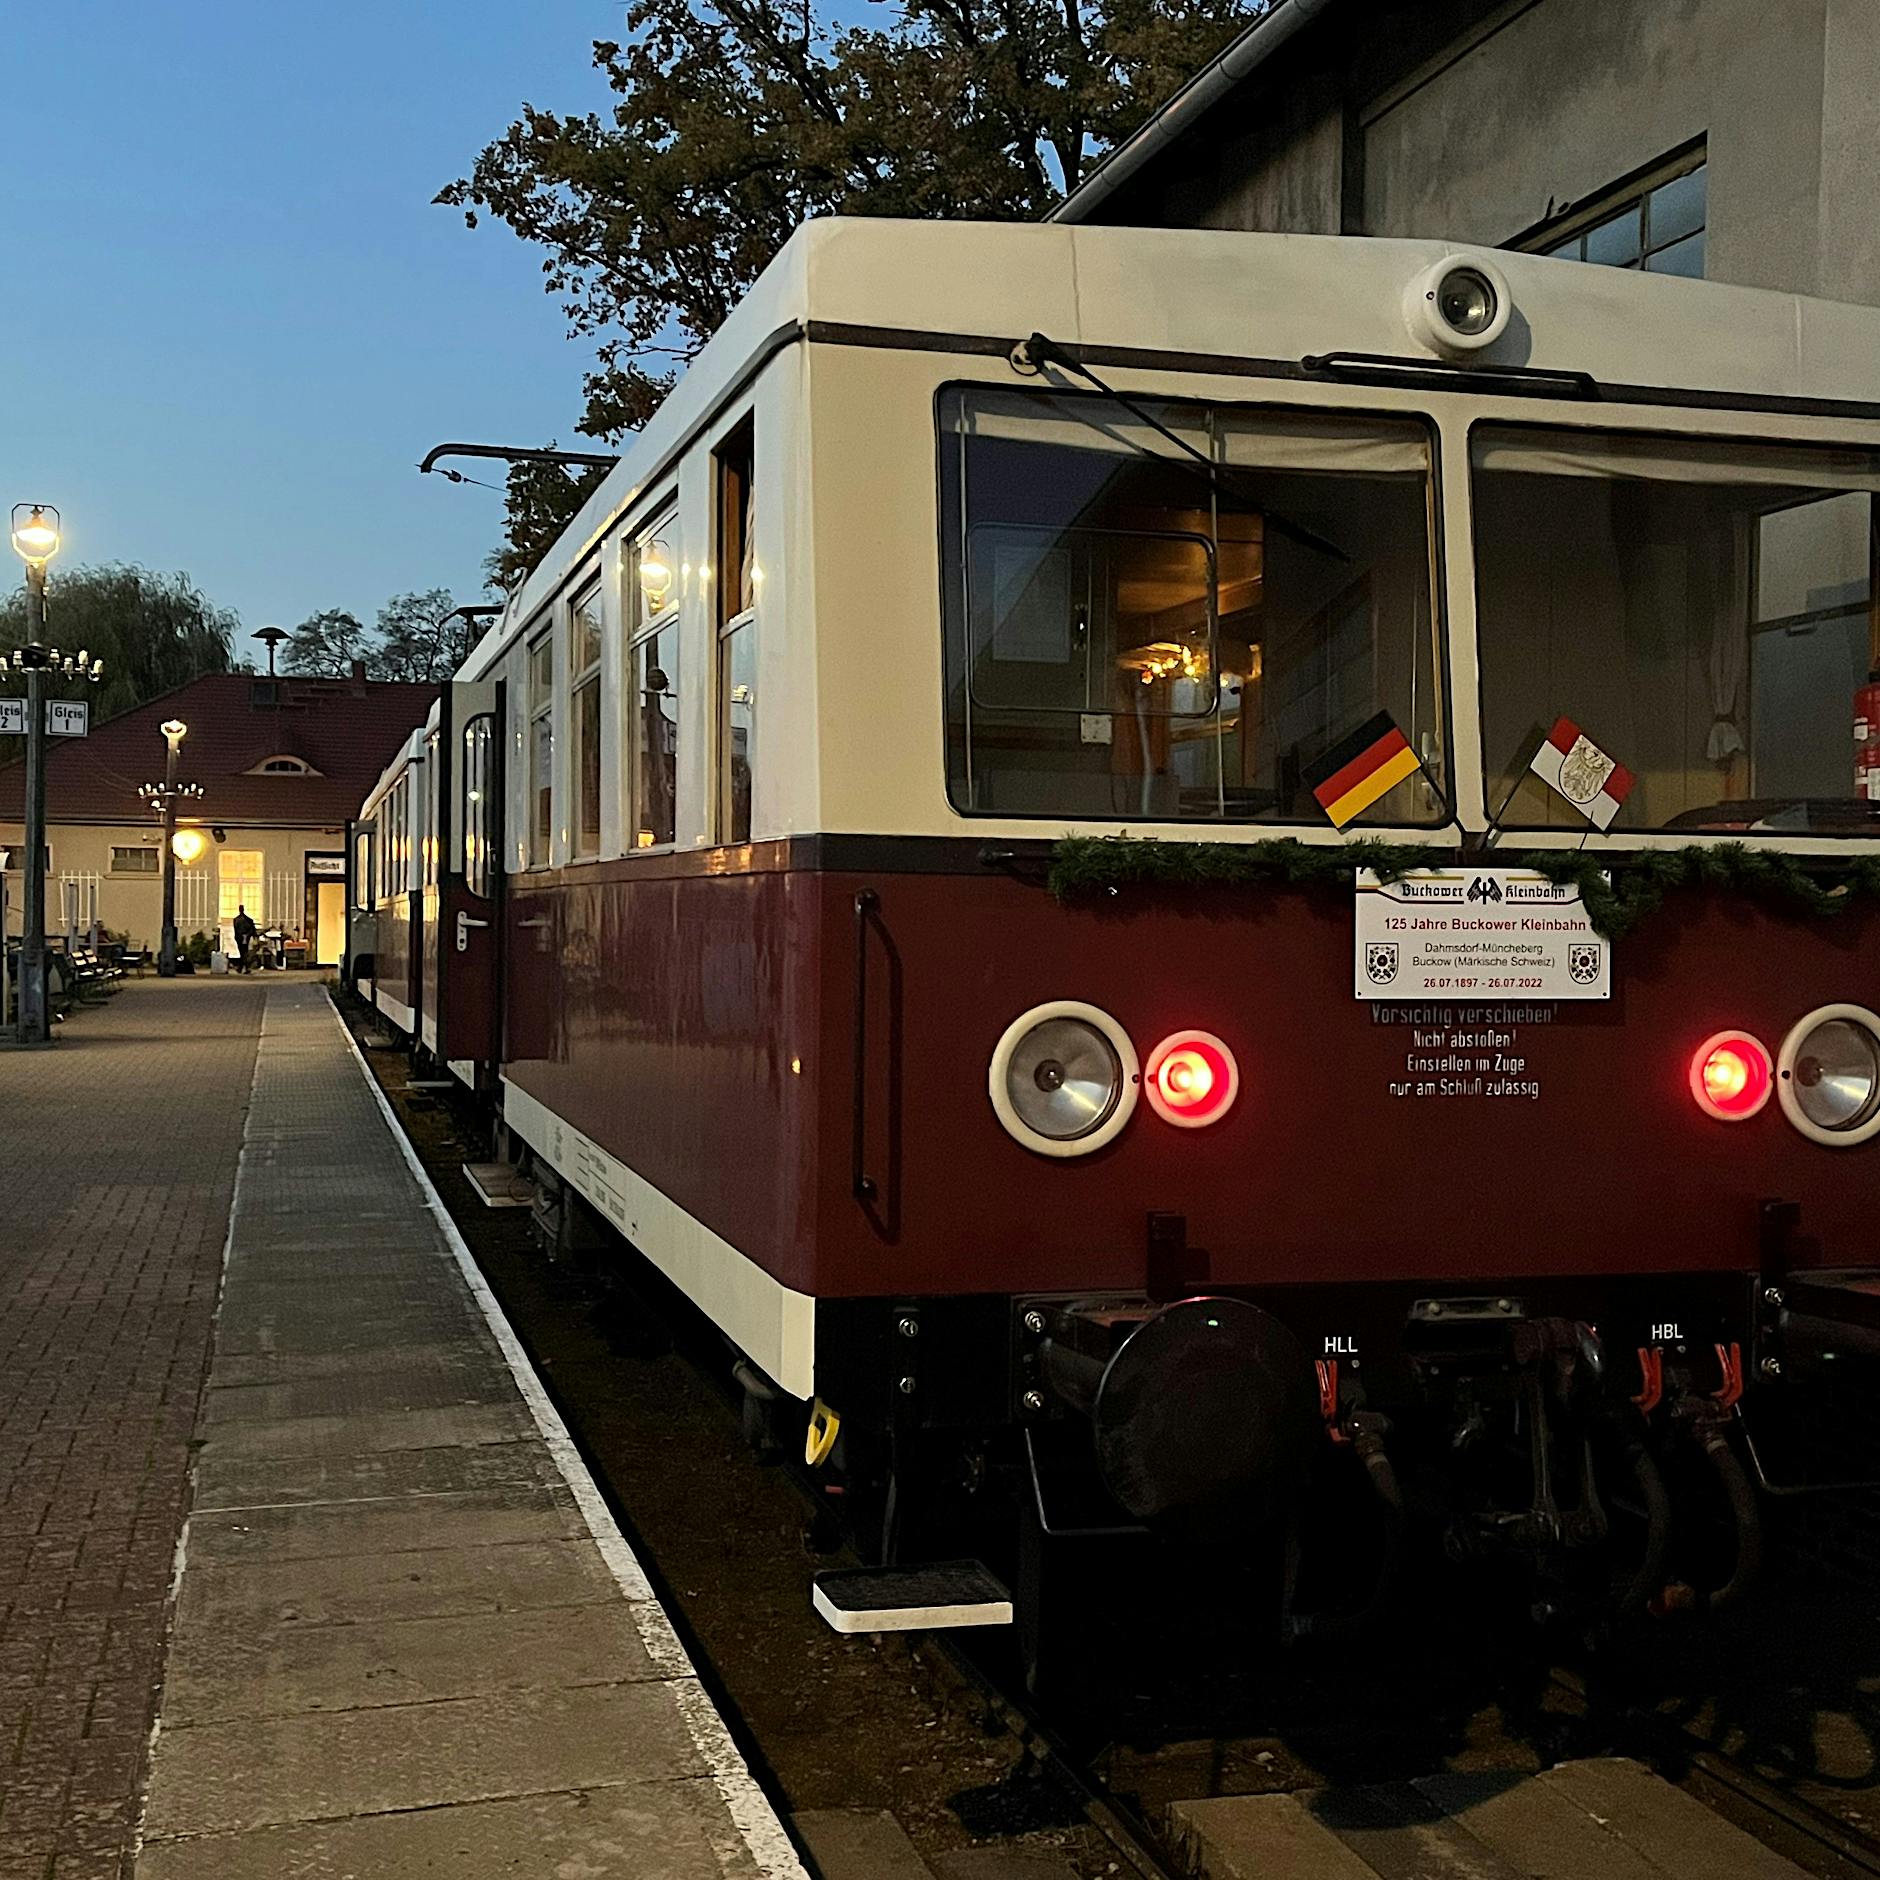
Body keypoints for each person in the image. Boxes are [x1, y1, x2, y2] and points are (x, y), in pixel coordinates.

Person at [231, 905, 257, 974]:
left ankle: (242, 967)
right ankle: (244, 967)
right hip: (243, 938)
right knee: (244, 953)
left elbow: (236, 930)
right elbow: (252, 930)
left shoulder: (237, 920)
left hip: (241, 938)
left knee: (243, 953)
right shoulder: (247, 919)